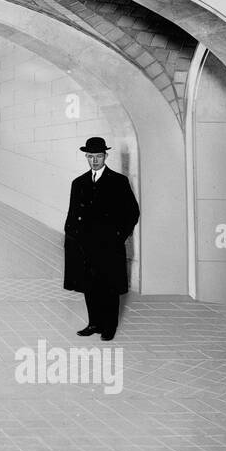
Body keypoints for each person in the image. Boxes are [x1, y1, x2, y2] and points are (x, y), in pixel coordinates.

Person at [63, 136, 140, 341]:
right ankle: (94, 323)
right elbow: (71, 215)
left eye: (98, 156)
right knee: (90, 286)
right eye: (91, 156)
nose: (94, 160)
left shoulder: (118, 181)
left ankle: (109, 327)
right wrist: (73, 238)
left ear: (105, 156)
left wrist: (118, 236)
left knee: (109, 287)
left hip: (109, 246)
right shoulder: (78, 183)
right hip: (86, 246)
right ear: (86, 157)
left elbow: (132, 213)